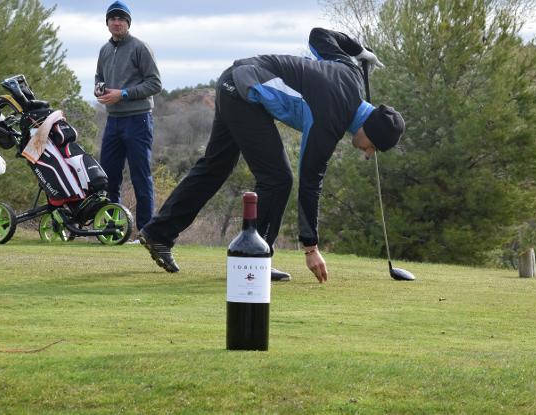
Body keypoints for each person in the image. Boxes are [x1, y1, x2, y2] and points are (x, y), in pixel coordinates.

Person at [139, 27, 405, 283]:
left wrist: (356, 51)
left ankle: (158, 233)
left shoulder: (351, 73)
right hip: (243, 89)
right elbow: (311, 181)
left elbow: (319, 36)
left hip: (233, 81)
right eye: (373, 147)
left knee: (215, 166)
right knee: (278, 179)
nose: (369, 154)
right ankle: (257, 258)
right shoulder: (331, 119)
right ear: (370, 130)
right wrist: (311, 248)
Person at [94, 1, 162, 232]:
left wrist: (122, 94)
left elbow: (155, 83)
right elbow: (99, 78)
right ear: (107, 23)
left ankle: (145, 232)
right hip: (113, 121)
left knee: (140, 176)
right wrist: (99, 89)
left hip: (138, 120)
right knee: (108, 177)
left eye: (121, 19)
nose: (116, 22)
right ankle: (114, 229)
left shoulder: (140, 47)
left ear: (128, 23)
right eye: (112, 19)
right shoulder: (104, 49)